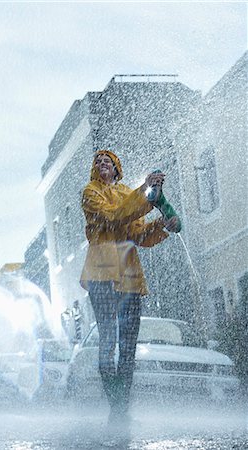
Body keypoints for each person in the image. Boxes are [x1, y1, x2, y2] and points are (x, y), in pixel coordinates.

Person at [80, 149, 181, 424]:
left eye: (108, 162)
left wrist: (163, 224)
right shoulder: (90, 193)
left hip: (130, 278)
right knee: (108, 342)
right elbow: (112, 218)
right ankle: (116, 405)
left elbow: (139, 235)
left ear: (116, 169)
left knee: (127, 347)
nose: (102, 164)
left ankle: (121, 408)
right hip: (101, 277)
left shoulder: (127, 193)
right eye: (98, 161)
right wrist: (146, 192)